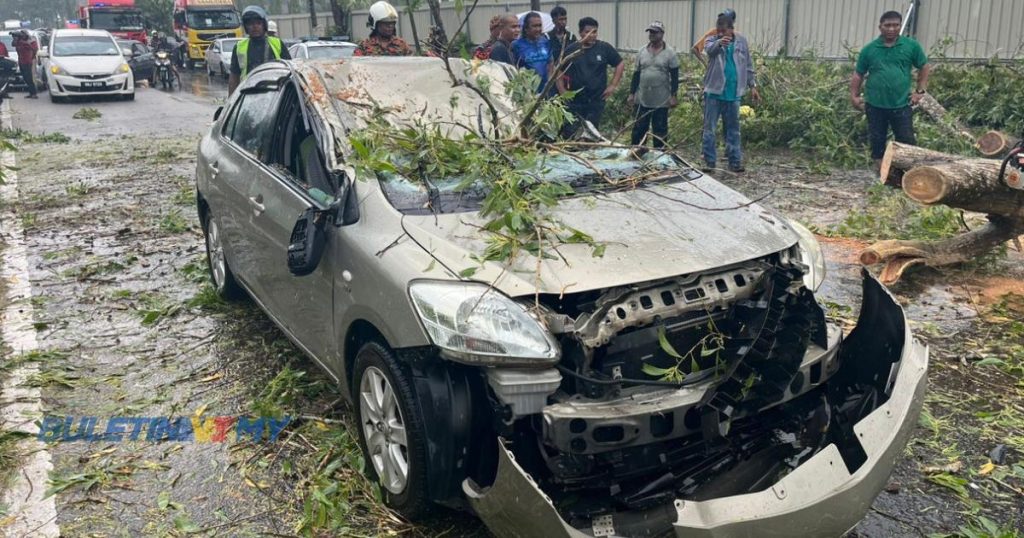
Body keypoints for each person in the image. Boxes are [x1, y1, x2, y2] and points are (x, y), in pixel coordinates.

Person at [850, 10, 930, 169]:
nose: (892, 29)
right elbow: (858, 74)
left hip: (901, 104)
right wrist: (854, 96)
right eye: (888, 25)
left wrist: (919, 91)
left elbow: (924, 67)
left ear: (900, 26)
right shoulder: (870, 49)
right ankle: (882, 175)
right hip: (875, 104)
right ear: (880, 27)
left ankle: (909, 174)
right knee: (877, 140)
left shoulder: (911, 46)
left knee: (906, 140)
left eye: (896, 25)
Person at [701, 13, 759, 173]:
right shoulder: (711, 40)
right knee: (709, 129)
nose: (720, 33)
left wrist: (752, 86)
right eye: (718, 30)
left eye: (723, 31)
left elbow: (748, 64)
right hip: (714, 93)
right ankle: (709, 162)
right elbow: (709, 51)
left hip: (734, 94)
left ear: (731, 29)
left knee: (733, 130)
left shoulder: (741, 42)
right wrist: (720, 42)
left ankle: (735, 162)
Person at [557, 17, 624, 129]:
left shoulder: (604, 48)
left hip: (596, 100)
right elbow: (558, 69)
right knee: (571, 130)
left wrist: (613, 85)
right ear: (580, 33)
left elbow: (620, 63)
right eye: (587, 32)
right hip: (575, 101)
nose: (591, 35)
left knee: (592, 130)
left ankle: (590, 145)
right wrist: (562, 91)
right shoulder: (571, 49)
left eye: (594, 32)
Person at [629, 21, 679, 149]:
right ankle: (637, 152)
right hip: (642, 98)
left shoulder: (670, 53)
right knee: (639, 129)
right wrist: (631, 94)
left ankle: (660, 156)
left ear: (662, 34)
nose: (651, 34)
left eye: (655, 32)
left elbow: (674, 76)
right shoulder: (641, 51)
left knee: (660, 130)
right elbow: (636, 74)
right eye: (650, 32)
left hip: (661, 99)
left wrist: (673, 95)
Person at [229, 6, 290, 95]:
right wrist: (230, 102)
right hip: (248, 93)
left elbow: (290, 70)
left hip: (275, 94)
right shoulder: (239, 47)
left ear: (264, 25)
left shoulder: (277, 43)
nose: (255, 27)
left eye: (258, 23)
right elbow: (234, 77)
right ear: (246, 27)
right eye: (250, 24)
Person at [510, 12, 552, 92]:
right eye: (534, 26)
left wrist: (549, 82)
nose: (538, 29)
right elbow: (513, 68)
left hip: (546, 90)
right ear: (526, 28)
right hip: (527, 91)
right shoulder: (516, 45)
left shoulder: (545, 42)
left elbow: (550, 63)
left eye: (540, 25)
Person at [12, 31, 38, 99]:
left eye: (16, 37)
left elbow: (33, 49)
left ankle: (34, 93)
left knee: (29, 78)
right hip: (21, 62)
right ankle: (31, 93)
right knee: (25, 78)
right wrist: (15, 38)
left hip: (26, 62)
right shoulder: (18, 43)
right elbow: (13, 44)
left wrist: (32, 57)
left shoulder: (24, 43)